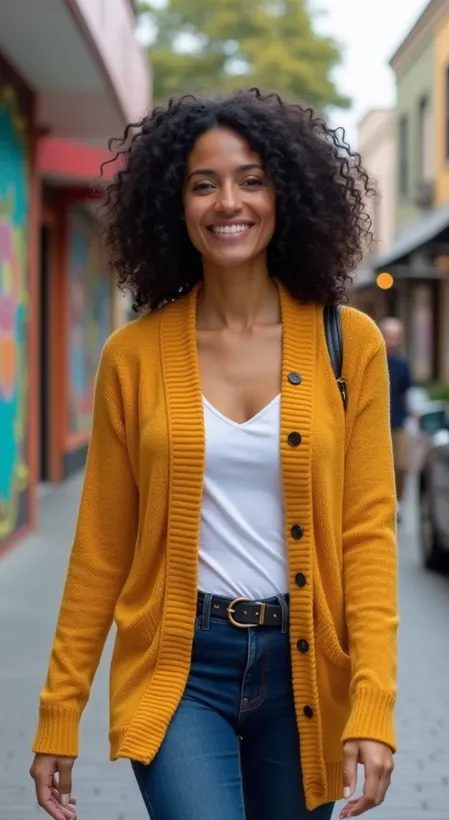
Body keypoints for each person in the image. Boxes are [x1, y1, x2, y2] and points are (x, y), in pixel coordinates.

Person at [30, 89, 398, 820]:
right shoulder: (131, 357)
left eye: (251, 179)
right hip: (178, 667)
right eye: (204, 183)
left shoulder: (347, 344)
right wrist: (59, 713)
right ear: (177, 203)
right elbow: (101, 547)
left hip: (303, 668)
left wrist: (372, 703)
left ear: (285, 194)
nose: (228, 202)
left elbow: (368, 535)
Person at [380, 317, 412, 519]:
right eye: (388, 334)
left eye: (395, 335)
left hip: (397, 422)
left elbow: (407, 392)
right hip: (372, 424)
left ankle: (397, 502)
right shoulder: (372, 357)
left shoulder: (402, 364)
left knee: (400, 464)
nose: (392, 338)